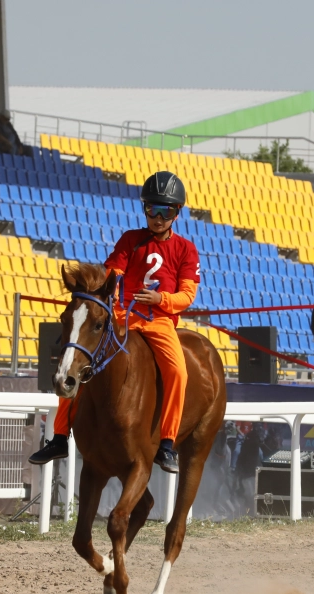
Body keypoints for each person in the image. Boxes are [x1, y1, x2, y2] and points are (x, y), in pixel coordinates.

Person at [30, 171, 199, 473]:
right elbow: (113, 270)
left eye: (166, 211)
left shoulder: (186, 249)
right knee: (80, 363)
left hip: (160, 321)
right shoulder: (130, 239)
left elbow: (187, 294)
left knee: (178, 371)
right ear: (144, 208)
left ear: (177, 213)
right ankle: (58, 437)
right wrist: (110, 283)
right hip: (122, 317)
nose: (158, 217)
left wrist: (161, 300)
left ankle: (168, 444)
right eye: (152, 209)